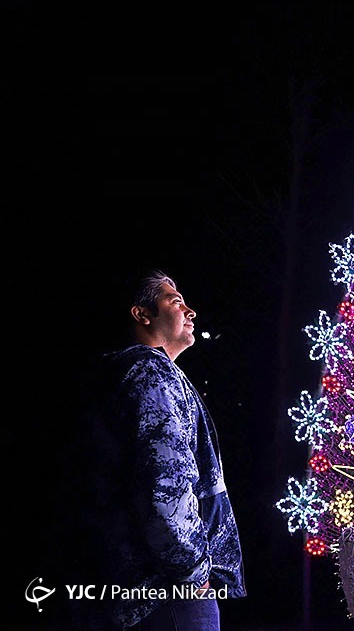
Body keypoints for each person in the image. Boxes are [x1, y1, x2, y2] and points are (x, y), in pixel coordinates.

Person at [77, 270, 246, 630]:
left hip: (130, 588)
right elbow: (163, 487)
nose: (190, 311)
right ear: (143, 314)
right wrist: (194, 573)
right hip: (168, 591)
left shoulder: (121, 374)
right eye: (175, 301)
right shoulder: (151, 374)